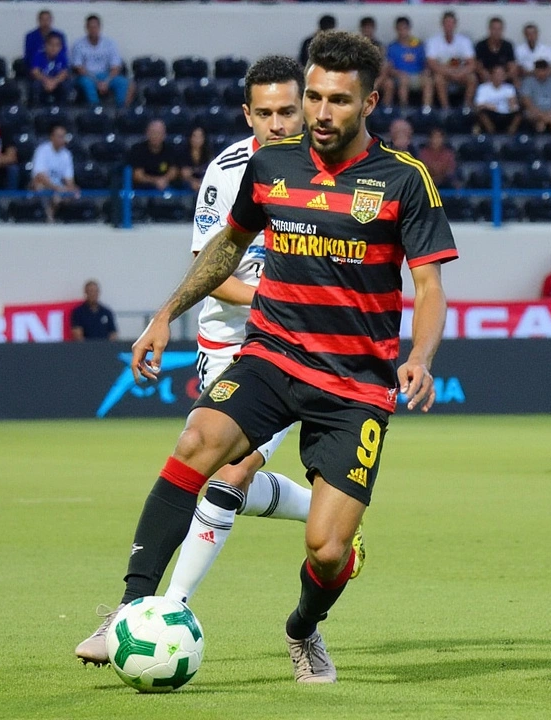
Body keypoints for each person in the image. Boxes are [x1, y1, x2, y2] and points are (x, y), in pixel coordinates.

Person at [75, 31, 457, 685]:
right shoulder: (271, 166)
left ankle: (303, 630)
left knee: (330, 550)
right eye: (313, 96)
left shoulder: (404, 180)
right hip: (272, 355)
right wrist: (167, 314)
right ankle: (135, 608)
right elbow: (226, 246)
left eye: (338, 98)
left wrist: (420, 354)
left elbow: (428, 286)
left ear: (370, 100)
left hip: (355, 384)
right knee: (201, 441)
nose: (320, 111)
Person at [158, 56, 332, 613]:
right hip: (226, 345)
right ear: (247, 114)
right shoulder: (227, 170)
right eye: (266, 113)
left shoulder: (333, 171)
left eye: (288, 111)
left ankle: (165, 609)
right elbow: (211, 271)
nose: (279, 124)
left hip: (292, 347)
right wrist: (270, 295)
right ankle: (327, 511)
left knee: (227, 473)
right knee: (213, 473)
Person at [71, 14, 131, 109]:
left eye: (95, 27)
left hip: (107, 75)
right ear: (86, 28)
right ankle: (96, 110)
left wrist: (106, 82)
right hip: (88, 76)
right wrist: (97, 82)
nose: (93, 29)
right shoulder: (78, 44)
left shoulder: (110, 43)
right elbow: (79, 67)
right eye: (90, 27)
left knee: (123, 82)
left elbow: (115, 67)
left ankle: (121, 109)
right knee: (87, 83)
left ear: (100, 27)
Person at [426, 11, 477, 110]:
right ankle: (446, 108)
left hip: (461, 72)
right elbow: (432, 63)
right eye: (446, 23)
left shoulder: (464, 41)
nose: (449, 26)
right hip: (443, 73)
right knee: (438, 78)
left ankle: (466, 106)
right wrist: (449, 73)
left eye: (451, 23)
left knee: (472, 78)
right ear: (442, 24)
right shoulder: (433, 41)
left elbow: (472, 64)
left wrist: (460, 73)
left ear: (455, 24)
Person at [30, 123, 79, 221]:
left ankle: (56, 216)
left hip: (59, 187)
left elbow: (69, 179)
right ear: (52, 137)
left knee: (74, 191)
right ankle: (47, 216)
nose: (62, 139)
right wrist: (56, 188)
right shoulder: (42, 150)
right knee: (39, 186)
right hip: (44, 184)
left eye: (63, 137)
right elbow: (40, 175)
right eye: (59, 137)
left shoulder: (66, 154)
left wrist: (71, 188)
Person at [385, 16, 433, 109]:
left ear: (409, 28)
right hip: (401, 76)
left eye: (405, 28)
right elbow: (389, 68)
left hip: (418, 75)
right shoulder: (392, 47)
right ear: (396, 29)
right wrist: (398, 73)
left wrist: (426, 71)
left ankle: (427, 109)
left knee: (428, 81)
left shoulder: (418, 44)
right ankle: (404, 108)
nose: (402, 31)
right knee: (404, 80)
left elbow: (426, 62)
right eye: (400, 28)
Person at [520, 59, 551, 136]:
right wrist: (543, 116)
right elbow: (526, 102)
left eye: (544, 70)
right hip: (535, 111)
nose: (541, 73)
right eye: (539, 71)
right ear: (535, 71)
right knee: (527, 114)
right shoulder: (528, 82)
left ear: (548, 70)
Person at [128, 119, 182, 191]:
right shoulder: (137, 150)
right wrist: (156, 181)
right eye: (153, 132)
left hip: (165, 186)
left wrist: (164, 180)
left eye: (159, 133)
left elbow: (174, 171)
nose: (156, 136)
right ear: (147, 133)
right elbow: (138, 175)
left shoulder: (170, 150)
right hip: (143, 188)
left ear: (164, 135)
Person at [474, 65, 520, 134]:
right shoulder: (483, 88)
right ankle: (492, 133)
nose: (500, 76)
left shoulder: (509, 88)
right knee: (482, 113)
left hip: (505, 113)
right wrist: (489, 106)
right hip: (492, 113)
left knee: (519, 114)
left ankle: (510, 134)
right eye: (497, 74)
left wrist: (512, 105)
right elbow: (479, 105)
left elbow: (513, 105)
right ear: (492, 75)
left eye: (502, 74)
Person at [30, 33, 71, 107]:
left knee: (66, 85)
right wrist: (47, 81)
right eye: (51, 45)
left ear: (60, 47)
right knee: (36, 85)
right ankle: (38, 108)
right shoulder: (38, 56)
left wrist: (54, 82)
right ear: (45, 45)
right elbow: (35, 72)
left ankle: (62, 108)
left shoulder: (62, 56)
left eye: (57, 45)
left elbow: (64, 73)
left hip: (56, 82)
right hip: (43, 82)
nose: (54, 48)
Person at [474, 16, 517, 84]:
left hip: (504, 80)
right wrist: (491, 78)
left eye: (499, 29)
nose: (496, 32)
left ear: (502, 30)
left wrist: (501, 78)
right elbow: (478, 67)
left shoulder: (508, 45)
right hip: (486, 81)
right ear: (489, 29)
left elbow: (512, 68)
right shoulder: (480, 45)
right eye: (494, 29)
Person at [182, 127, 212, 193]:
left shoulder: (208, 154)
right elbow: (184, 174)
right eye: (195, 136)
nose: (197, 139)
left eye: (200, 136)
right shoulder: (183, 154)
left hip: (204, 184)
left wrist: (201, 183)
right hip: (187, 186)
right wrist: (192, 182)